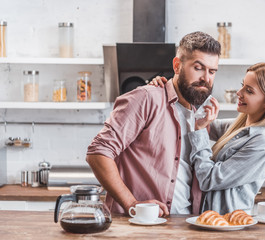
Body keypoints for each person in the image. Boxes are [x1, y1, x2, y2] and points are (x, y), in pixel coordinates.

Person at [86, 31, 221, 216]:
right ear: (177, 65)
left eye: (212, 71)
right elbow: (98, 152)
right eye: (198, 68)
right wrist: (132, 204)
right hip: (138, 225)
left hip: (184, 224)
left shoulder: (201, 117)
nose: (206, 78)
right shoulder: (146, 98)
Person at [151, 62, 265, 215]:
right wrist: (167, 89)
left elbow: (208, 179)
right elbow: (196, 121)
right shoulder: (240, 126)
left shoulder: (263, 142)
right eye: (242, 85)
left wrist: (200, 131)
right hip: (208, 220)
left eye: (249, 91)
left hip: (227, 224)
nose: (239, 92)